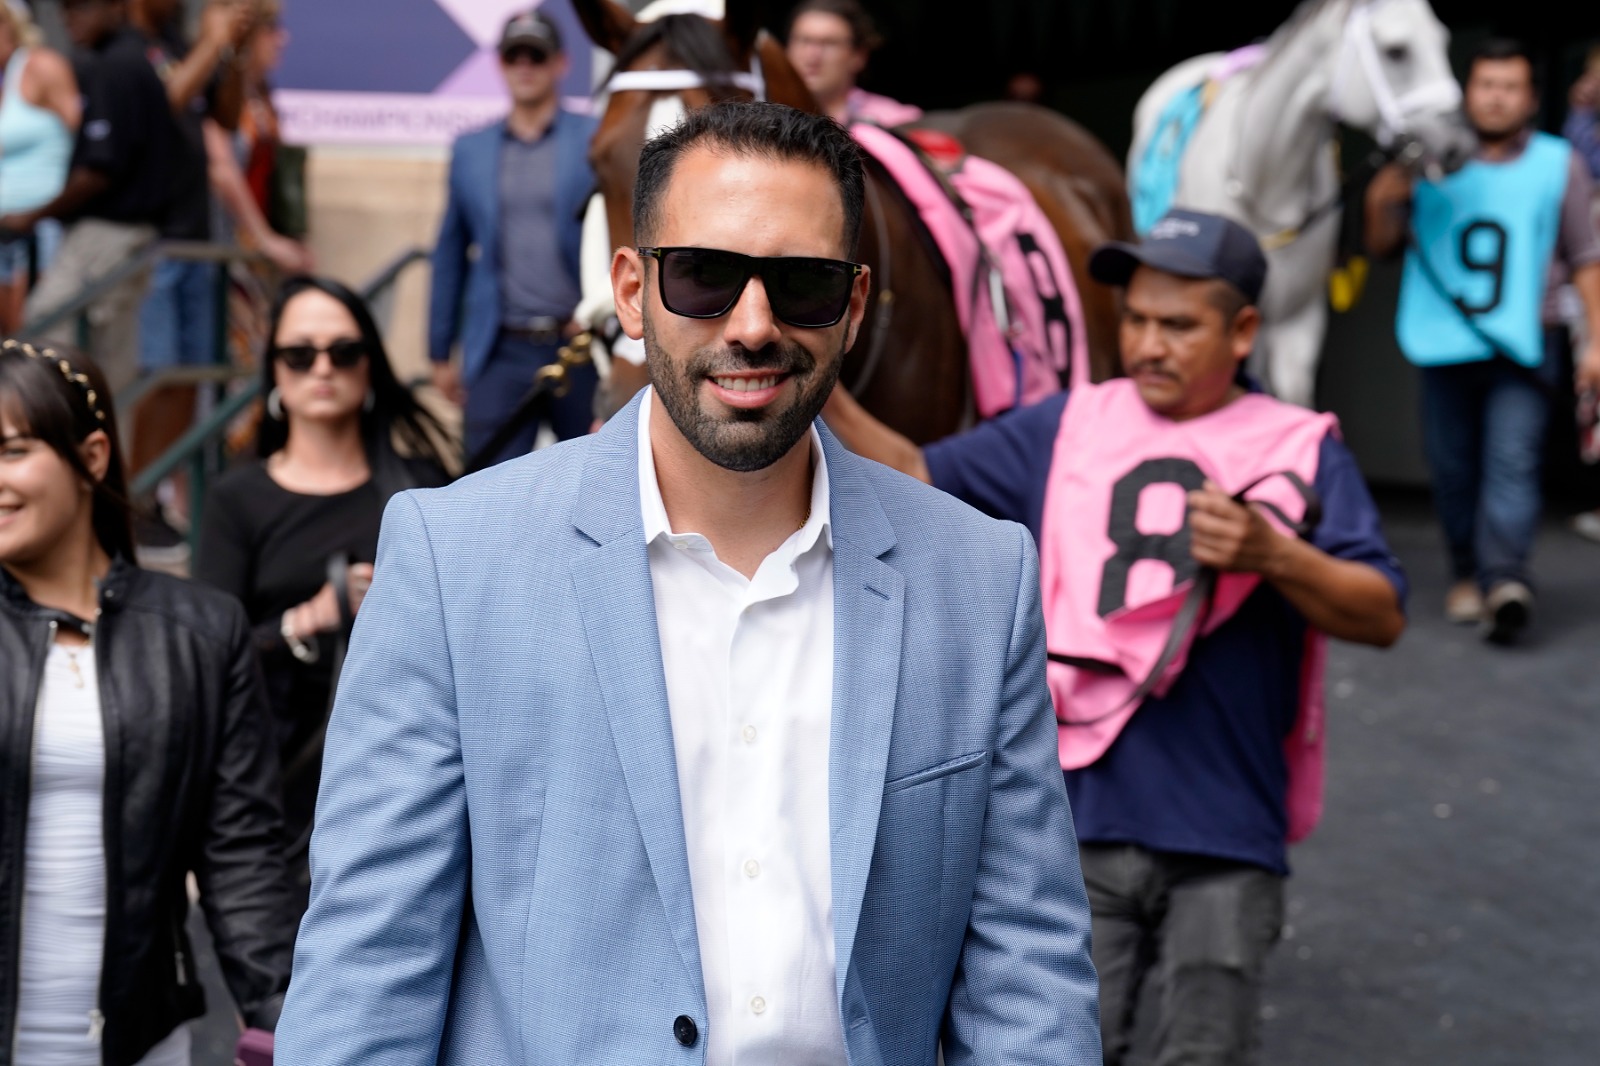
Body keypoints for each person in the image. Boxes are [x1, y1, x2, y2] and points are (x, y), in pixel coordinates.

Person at [276, 101, 1100, 1065]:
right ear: (631, 291)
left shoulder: (978, 576)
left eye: (802, 287)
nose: (753, 327)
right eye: (705, 276)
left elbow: (1029, 983)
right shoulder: (455, 560)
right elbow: (366, 978)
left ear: (857, 304)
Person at [823, 209, 1408, 1066]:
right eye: (1135, 319)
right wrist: (820, 369)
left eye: (1178, 325)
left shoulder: (1300, 446)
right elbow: (915, 471)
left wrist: (1273, 554)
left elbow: (1382, 612)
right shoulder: (1070, 423)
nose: (1148, 344)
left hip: (1223, 834)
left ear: (1243, 330)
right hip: (1072, 826)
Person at [0, 339, 293, 1064]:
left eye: (11, 450)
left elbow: (242, 860)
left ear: (92, 456)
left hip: (143, 1044)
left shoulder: (200, 631)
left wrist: (291, 1019)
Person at [195, 275, 451, 915]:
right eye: (299, 355)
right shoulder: (237, 500)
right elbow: (202, 657)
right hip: (276, 776)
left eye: (343, 351)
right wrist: (310, 619)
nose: (322, 369)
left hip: (406, 769)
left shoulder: (423, 486)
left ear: (369, 364)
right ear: (274, 372)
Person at [1365, 38, 1600, 641]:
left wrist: (1596, 342)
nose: (1496, 98)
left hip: (1526, 343)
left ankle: (1504, 580)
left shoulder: (1558, 163)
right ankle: (1469, 572)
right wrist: (1389, 183)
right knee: (1452, 469)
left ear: (1531, 98)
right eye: (1486, 85)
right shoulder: (1430, 164)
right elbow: (1382, 245)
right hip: (1443, 342)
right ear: (1467, 92)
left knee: (1512, 462)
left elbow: (1587, 259)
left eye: (1510, 87)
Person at [428, 8, 597, 467]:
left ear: (561, 64)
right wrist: (439, 350)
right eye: (513, 55)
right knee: (483, 488)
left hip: (578, 344)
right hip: (499, 346)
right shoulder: (471, 149)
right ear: (500, 64)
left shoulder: (594, 139)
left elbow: (623, 228)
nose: (524, 65)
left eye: (536, 55)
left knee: (597, 485)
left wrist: (605, 314)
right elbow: (449, 250)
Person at [2, 0, 177, 396]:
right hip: (118, 232)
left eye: (81, 7)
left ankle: (69, 439)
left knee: (49, 331)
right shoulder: (126, 58)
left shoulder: (116, 65)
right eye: (64, 9)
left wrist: (33, 214)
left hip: (111, 231)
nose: (70, 19)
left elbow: (100, 168)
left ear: (115, 7)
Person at [0, 0, 79, 332]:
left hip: (41, 231)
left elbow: (83, 135)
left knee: (33, 342)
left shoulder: (43, 66)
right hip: (5, 234)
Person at [785, 0, 922, 126]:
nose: (812, 56)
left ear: (859, 56)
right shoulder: (766, 115)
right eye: (803, 40)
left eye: (829, 43)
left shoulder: (895, 122)